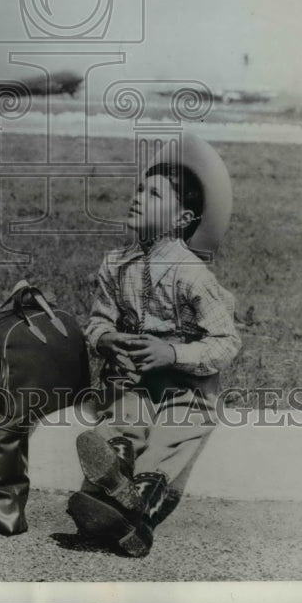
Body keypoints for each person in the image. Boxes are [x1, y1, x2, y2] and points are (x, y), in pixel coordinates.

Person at [68, 134, 241, 557]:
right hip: (134, 380)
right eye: (140, 189)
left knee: (180, 426)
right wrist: (107, 339)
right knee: (125, 410)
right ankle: (119, 465)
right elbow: (98, 321)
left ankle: (137, 494)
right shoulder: (116, 264)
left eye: (154, 194)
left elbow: (226, 342)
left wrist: (173, 353)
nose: (138, 198)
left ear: (182, 218)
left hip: (185, 384)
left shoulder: (192, 275)